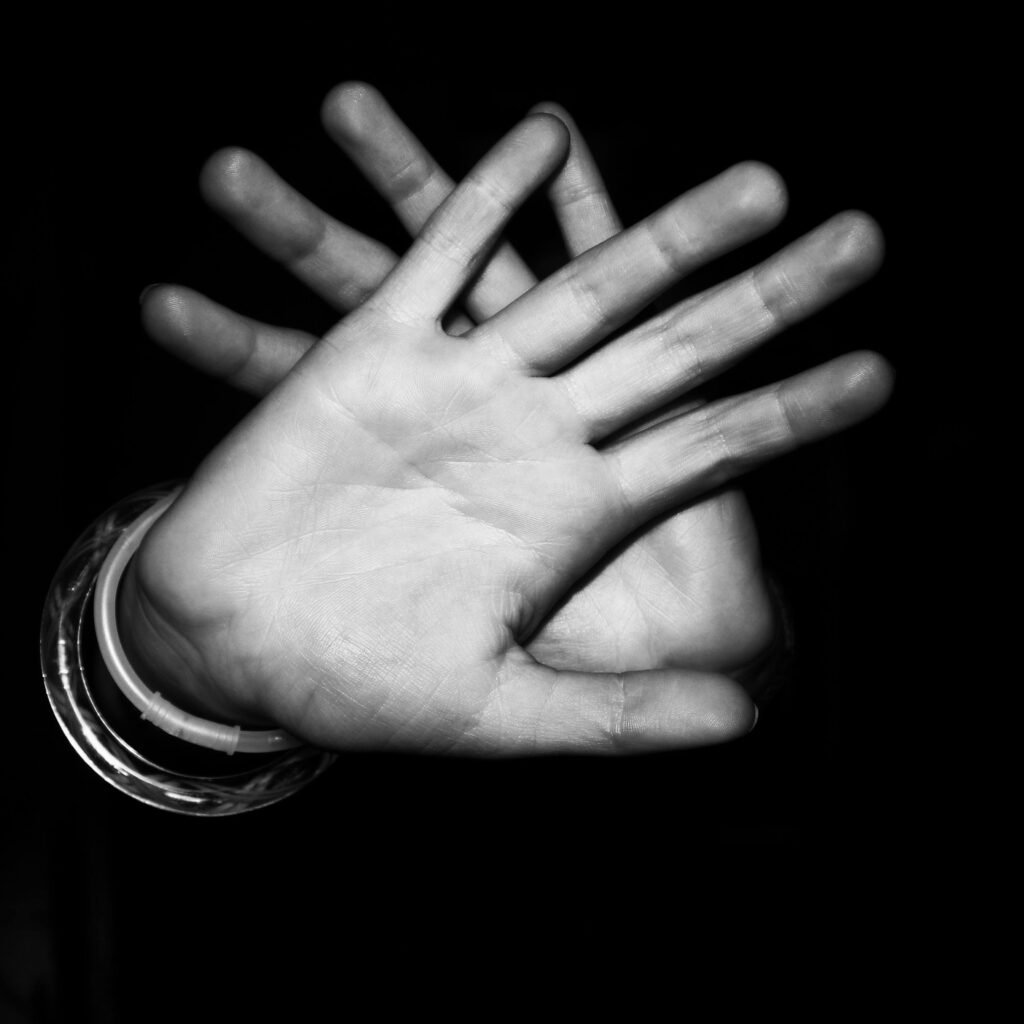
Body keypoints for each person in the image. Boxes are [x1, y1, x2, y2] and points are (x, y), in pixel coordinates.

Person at [41, 82, 891, 810]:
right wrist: (165, 650)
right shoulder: (151, 390)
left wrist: (747, 664)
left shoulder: (790, 514)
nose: (533, 421)